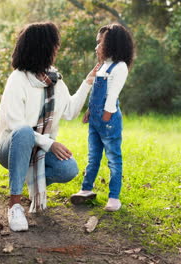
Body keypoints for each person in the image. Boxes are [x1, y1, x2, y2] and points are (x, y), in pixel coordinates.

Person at [0, 22, 97, 232]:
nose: (57, 49)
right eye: (54, 44)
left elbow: (69, 111)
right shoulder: (18, 80)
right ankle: (14, 205)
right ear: (42, 47)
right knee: (24, 132)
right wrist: (50, 144)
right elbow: (16, 127)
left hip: (40, 148)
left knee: (68, 169)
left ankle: (32, 186)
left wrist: (87, 83)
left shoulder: (54, 80)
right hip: (11, 148)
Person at [70, 23, 134, 212]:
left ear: (113, 44)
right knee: (93, 157)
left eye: (100, 43)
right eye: (97, 43)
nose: (96, 47)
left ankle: (114, 197)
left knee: (113, 158)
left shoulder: (119, 67)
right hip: (96, 121)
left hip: (109, 120)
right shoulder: (102, 66)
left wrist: (105, 118)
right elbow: (95, 94)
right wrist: (90, 112)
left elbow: (112, 95)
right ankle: (86, 189)